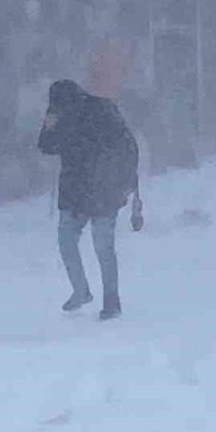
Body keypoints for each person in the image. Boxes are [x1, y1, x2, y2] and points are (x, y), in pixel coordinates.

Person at [38, 80, 141, 320]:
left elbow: (125, 147)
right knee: (67, 241)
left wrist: (124, 182)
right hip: (74, 190)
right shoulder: (60, 114)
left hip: (104, 189)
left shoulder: (102, 111)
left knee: (103, 246)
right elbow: (46, 146)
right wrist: (48, 128)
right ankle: (81, 290)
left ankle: (111, 301)